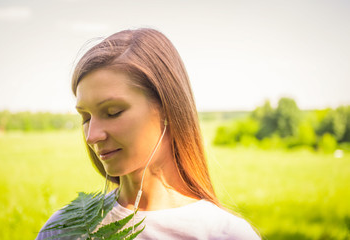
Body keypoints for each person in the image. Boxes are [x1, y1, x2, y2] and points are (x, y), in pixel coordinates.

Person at [36, 28, 260, 240]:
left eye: (113, 112)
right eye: (85, 118)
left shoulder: (225, 234)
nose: (92, 136)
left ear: (167, 108)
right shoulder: (64, 228)